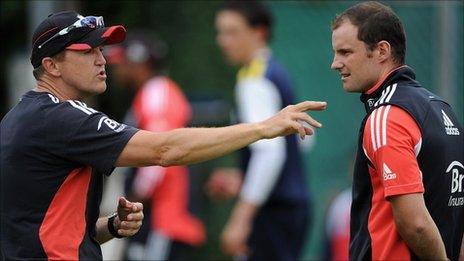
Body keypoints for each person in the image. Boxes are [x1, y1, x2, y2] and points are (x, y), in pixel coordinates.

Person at [0, 10, 326, 260]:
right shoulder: (60, 118)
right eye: (88, 52)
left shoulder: (19, 119)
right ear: (52, 66)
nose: (103, 61)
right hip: (168, 225)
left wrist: (111, 226)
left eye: (102, 50)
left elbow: (42, 232)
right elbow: (164, 150)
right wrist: (262, 129)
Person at [330, 2, 464, 260]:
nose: (335, 63)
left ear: (381, 51)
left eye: (345, 52)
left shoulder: (387, 116)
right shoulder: (442, 109)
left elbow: (415, 222)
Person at [213, 1, 313, 260]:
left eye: (232, 32)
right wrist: (244, 178)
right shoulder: (276, 72)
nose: (223, 41)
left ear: (259, 32)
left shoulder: (254, 80)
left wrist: (240, 219)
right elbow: (303, 141)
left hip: (273, 212)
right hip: (292, 207)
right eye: (220, 32)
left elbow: (270, 154)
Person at [106, 31, 205, 260]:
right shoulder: (154, 92)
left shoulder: (156, 93)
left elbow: (159, 152)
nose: (115, 69)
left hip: (165, 219)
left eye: (122, 62)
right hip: (164, 219)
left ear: (139, 63)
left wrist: (134, 199)